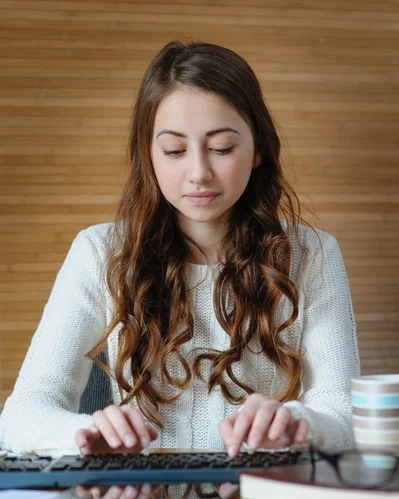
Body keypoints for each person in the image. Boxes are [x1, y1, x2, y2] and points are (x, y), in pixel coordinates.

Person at [0, 40, 360, 461]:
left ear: (259, 148)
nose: (199, 173)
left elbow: (344, 413)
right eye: (174, 150)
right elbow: (21, 414)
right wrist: (85, 431)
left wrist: (298, 422)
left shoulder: (312, 253)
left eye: (222, 148)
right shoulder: (100, 251)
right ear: (148, 154)